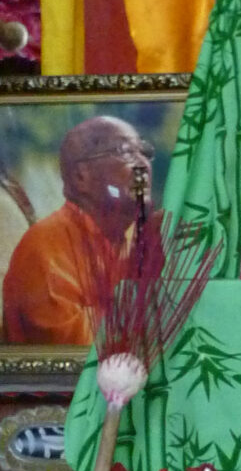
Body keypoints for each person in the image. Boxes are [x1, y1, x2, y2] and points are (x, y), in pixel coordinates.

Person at [2, 116, 151, 346]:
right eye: (126, 152)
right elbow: (78, 351)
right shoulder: (44, 248)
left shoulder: (135, 238)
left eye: (144, 151)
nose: (143, 164)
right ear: (82, 176)